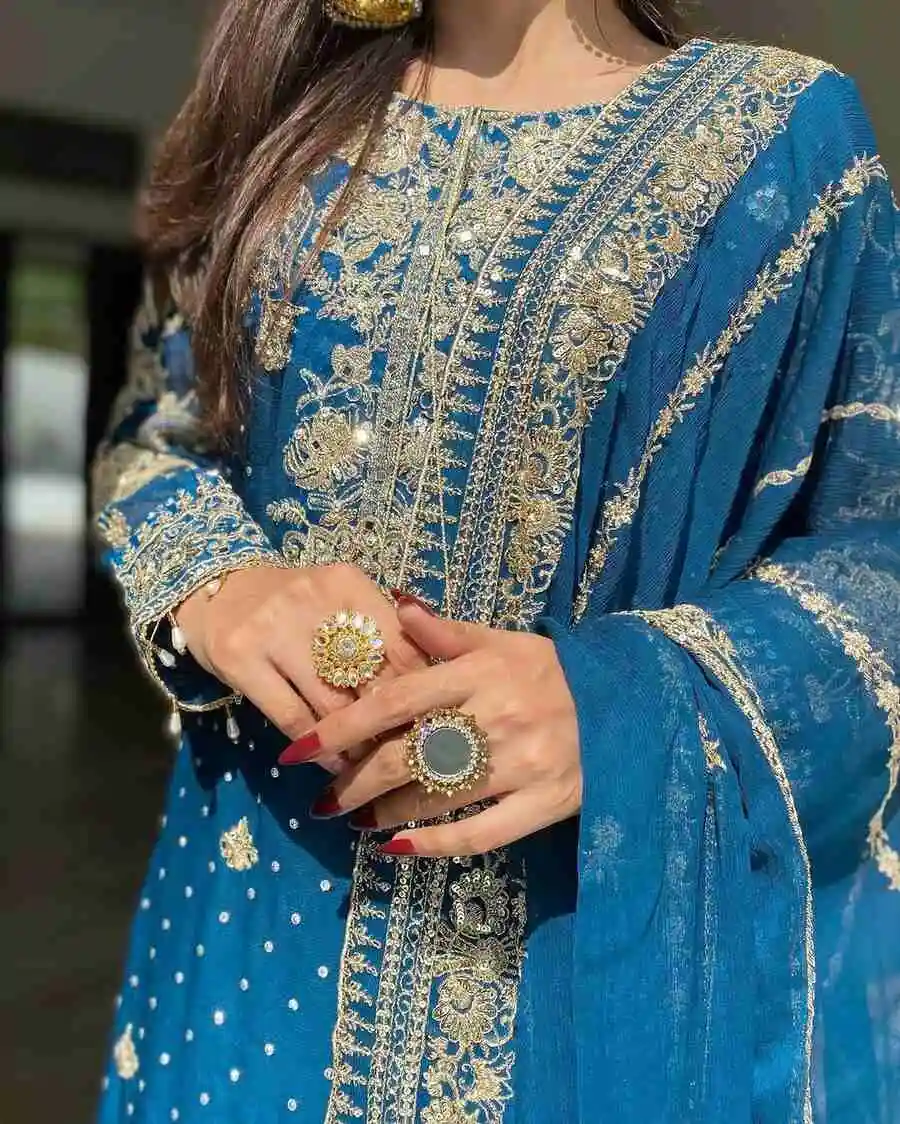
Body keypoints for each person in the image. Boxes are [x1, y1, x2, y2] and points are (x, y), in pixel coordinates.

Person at [92, 0, 900, 1118]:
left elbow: (876, 550)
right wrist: (220, 584)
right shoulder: (277, 114)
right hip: (248, 914)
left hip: (577, 952)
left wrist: (619, 700)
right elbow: (155, 431)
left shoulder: (783, 143)